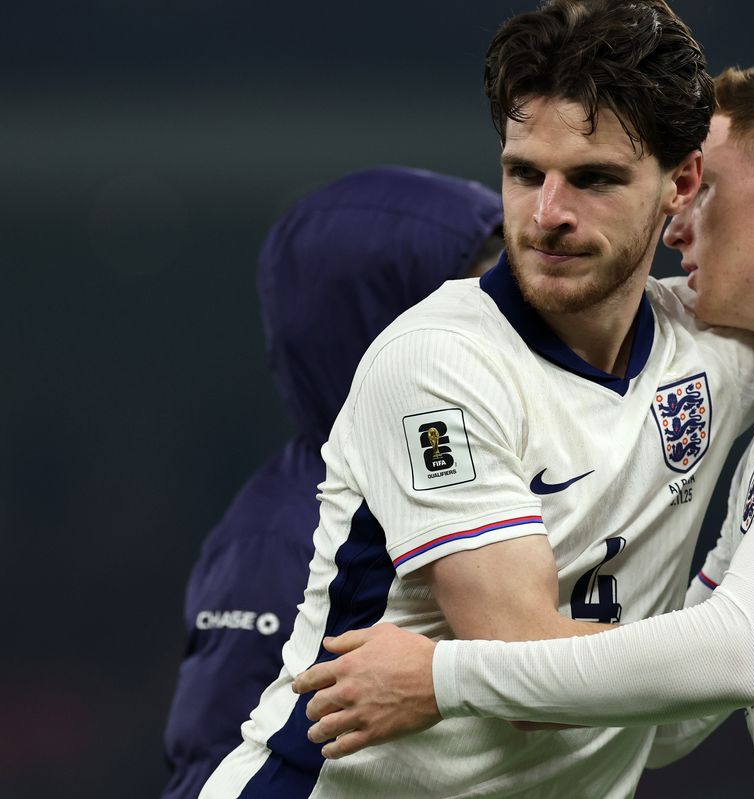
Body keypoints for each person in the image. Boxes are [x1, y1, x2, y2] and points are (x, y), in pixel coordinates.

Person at [205, 3, 754, 797]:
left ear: (679, 184)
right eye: (523, 172)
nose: (547, 215)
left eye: (595, 179)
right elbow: (524, 667)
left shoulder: (728, 346)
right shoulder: (438, 364)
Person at [162, 165, 504, 799]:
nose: (510, 313)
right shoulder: (280, 535)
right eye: (478, 289)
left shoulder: (459, 479)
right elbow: (217, 763)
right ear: (387, 316)